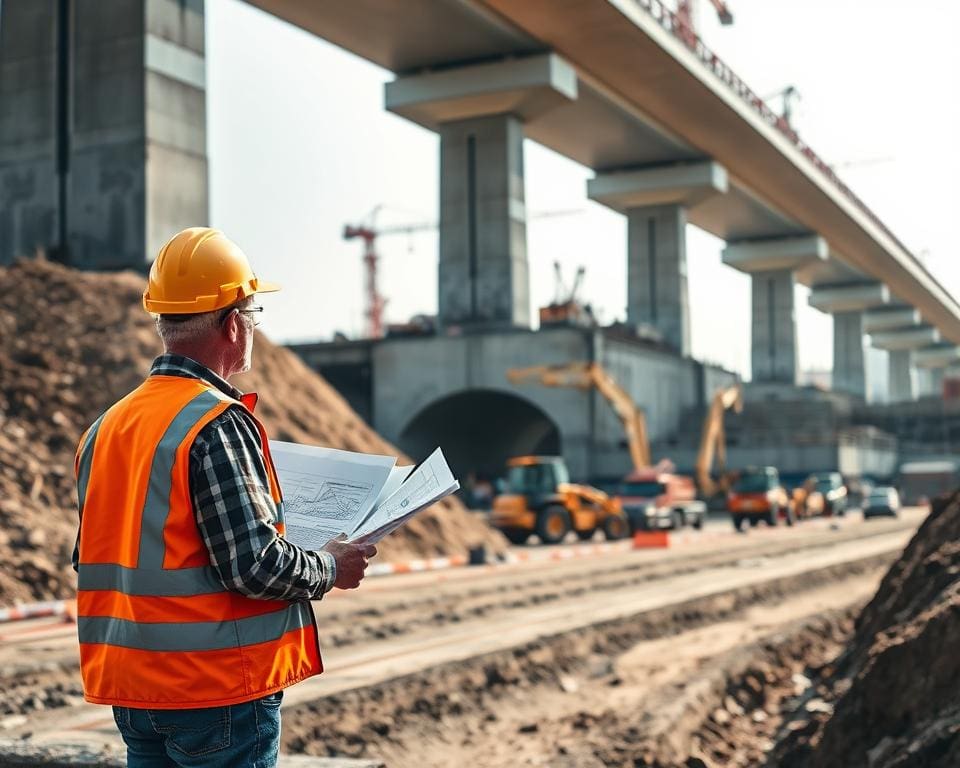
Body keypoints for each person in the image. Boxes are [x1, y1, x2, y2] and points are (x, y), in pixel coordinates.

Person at [72, 227, 375, 767]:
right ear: (234, 324)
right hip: (212, 692)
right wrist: (330, 565)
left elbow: (101, 557)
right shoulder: (215, 423)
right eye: (255, 314)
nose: (254, 327)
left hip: (132, 688)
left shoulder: (106, 428)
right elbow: (254, 565)